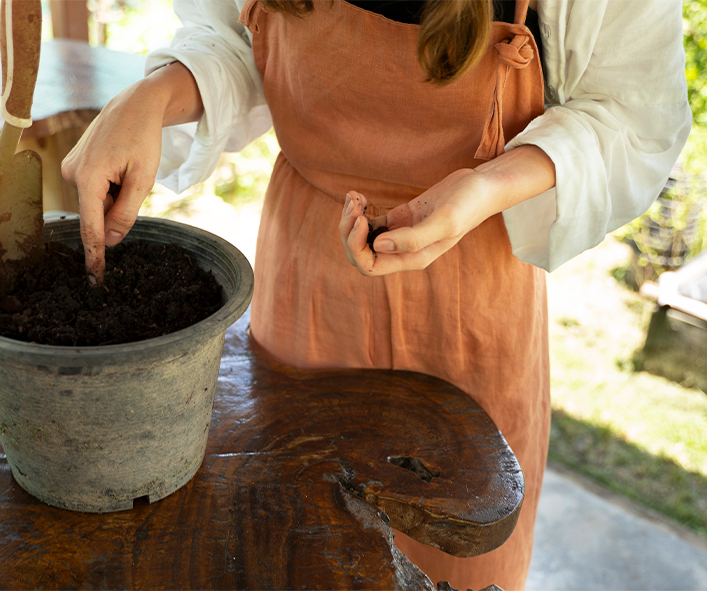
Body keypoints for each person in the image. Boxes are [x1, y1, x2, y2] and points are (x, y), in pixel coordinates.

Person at [61, 0, 691, 588]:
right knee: (296, 547)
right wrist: (154, 95)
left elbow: (631, 117)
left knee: (453, 556)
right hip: (306, 280)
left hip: (471, 286)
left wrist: (485, 186)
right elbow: (236, 39)